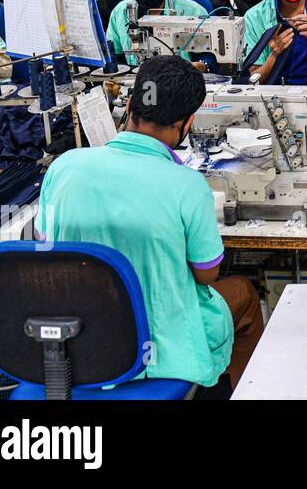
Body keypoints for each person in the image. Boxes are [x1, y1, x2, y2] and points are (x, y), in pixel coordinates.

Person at [36, 55, 264, 389]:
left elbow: (48, 249)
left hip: (78, 338)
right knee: (242, 291)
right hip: (153, 346)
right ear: (186, 124)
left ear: (129, 106)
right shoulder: (186, 185)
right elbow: (206, 273)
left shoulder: (63, 168)